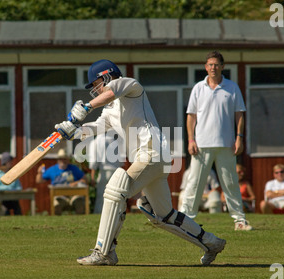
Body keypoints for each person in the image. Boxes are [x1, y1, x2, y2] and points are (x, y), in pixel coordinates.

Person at [55, 59, 226, 266]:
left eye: (96, 84)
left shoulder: (129, 85)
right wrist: (73, 133)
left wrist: (86, 106)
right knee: (162, 215)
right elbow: (96, 127)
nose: (95, 90)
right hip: (152, 158)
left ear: (107, 76)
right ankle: (211, 243)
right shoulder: (110, 110)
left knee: (116, 189)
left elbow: (110, 92)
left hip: (151, 152)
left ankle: (104, 251)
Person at [179, 51, 252, 231]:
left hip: (226, 144)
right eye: (210, 65)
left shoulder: (232, 87)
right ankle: (184, 221)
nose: (213, 68)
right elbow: (191, 117)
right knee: (194, 183)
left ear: (222, 66)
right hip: (201, 145)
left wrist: (239, 138)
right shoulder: (198, 88)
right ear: (206, 67)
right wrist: (190, 140)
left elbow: (239, 115)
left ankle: (239, 220)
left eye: (216, 64)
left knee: (230, 183)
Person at [36, 149, 87, 215]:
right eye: (61, 159)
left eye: (64, 159)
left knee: (79, 204)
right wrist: (39, 173)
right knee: (56, 206)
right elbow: (39, 181)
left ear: (68, 160)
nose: (63, 161)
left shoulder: (74, 169)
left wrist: (76, 183)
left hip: (74, 195)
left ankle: (81, 222)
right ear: (58, 160)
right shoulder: (52, 169)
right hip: (60, 196)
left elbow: (85, 180)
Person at [88, 131, 123, 214]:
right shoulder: (116, 141)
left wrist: (92, 177)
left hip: (103, 171)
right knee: (116, 196)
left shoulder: (95, 142)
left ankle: (99, 214)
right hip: (116, 171)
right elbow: (121, 161)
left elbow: (93, 162)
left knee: (101, 195)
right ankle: (116, 214)